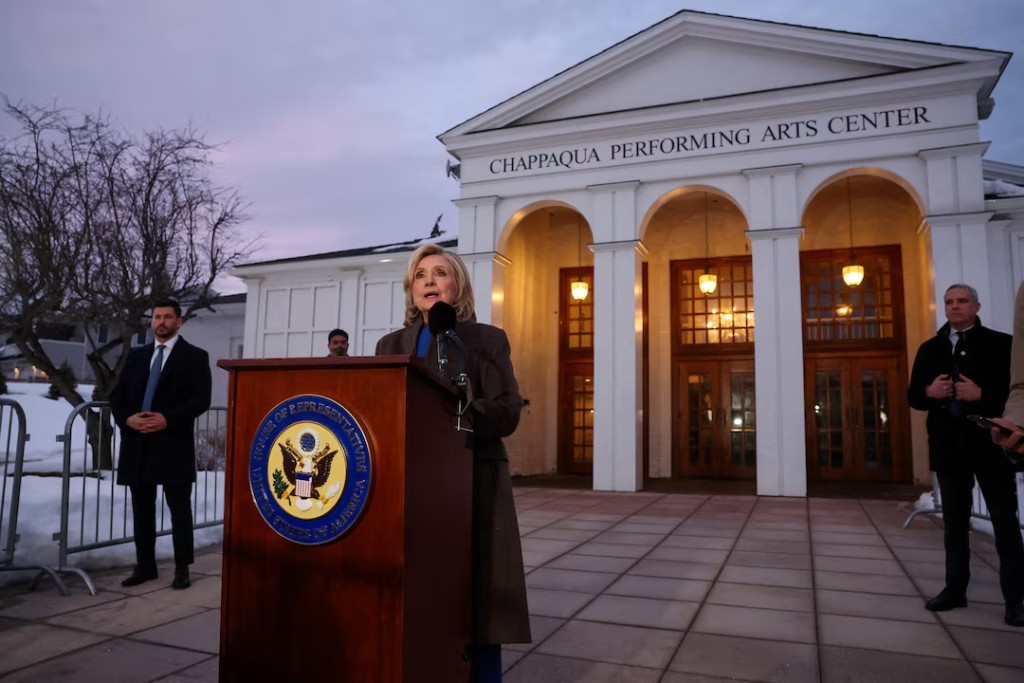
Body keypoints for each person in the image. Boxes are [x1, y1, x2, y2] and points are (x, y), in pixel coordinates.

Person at [375, 244, 531, 682]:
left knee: (474, 595)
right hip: (410, 484)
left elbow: (508, 409)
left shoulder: (486, 339)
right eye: (420, 274)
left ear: (457, 285)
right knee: (419, 594)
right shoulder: (390, 345)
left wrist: (462, 414)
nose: (429, 281)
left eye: (440, 273)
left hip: (473, 480)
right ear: (411, 288)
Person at [907, 283, 1024, 627]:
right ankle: (955, 590)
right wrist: (929, 391)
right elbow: (913, 397)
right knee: (954, 525)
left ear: (976, 306)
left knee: (1005, 523)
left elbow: (1017, 393)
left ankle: (1015, 600)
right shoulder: (930, 348)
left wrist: (982, 394)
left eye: (962, 301)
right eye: (949, 302)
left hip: (991, 448)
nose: (954, 307)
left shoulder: (1002, 345)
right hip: (949, 449)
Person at [109, 299, 212, 590]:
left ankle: (182, 568)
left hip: (172, 442)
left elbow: (200, 399)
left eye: (167, 317)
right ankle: (145, 567)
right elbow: (117, 395)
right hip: (138, 443)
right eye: (157, 317)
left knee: (179, 509)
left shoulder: (194, 356)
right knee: (142, 509)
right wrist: (127, 419)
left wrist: (168, 419)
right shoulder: (136, 356)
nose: (161, 322)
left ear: (179, 321)